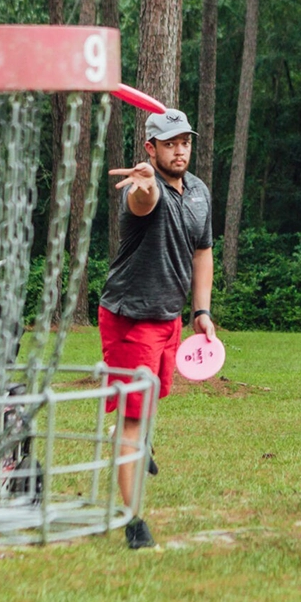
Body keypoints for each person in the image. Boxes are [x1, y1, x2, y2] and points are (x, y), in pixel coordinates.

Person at [99, 109, 215, 549]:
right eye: (169, 144)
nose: (179, 151)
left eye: (184, 142)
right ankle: (134, 522)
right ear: (151, 148)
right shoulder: (143, 187)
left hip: (169, 317)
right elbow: (142, 202)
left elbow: (202, 251)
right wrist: (145, 185)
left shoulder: (199, 191)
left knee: (150, 403)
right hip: (130, 317)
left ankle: (132, 437)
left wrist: (200, 310)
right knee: (134, 417)